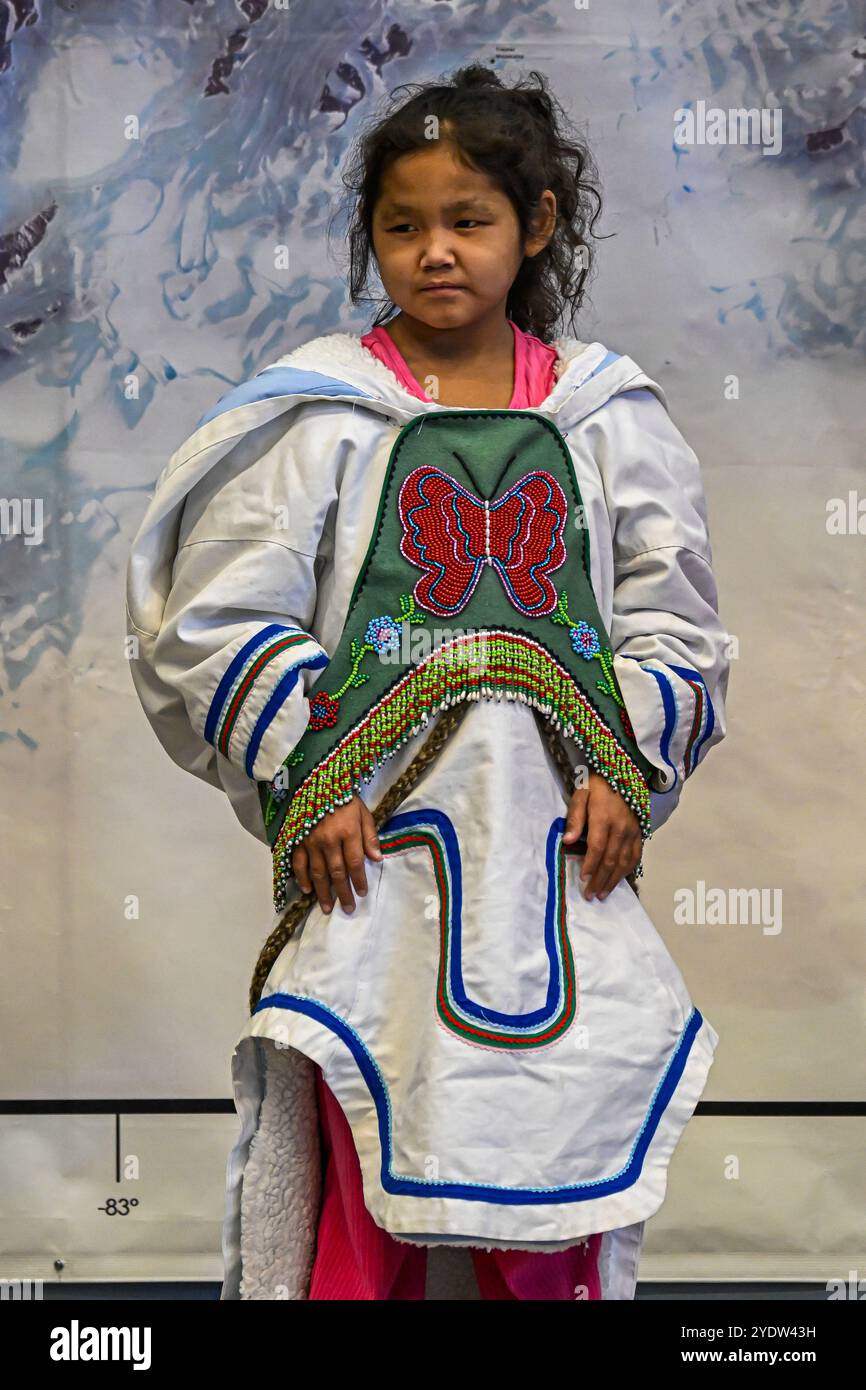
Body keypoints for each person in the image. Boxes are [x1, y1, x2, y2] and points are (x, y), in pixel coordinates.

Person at [125, 63, 730, 1300]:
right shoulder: (319, 416)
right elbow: (221, 614)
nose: (434, 252)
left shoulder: (606, 417)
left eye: (468, 221)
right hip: (376, 854)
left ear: (537, 225)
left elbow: (676, 623)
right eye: (402, 227)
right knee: (368, 1127)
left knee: (549, 1142)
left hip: (559, 860)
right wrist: (313, 775)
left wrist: (623, 767)